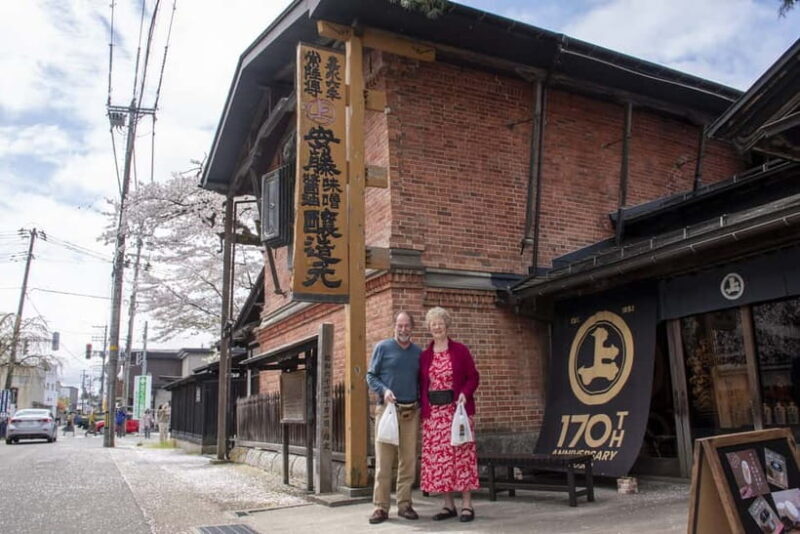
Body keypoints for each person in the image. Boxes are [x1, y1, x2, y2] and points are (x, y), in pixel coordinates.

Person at [419, 306, 480, 523]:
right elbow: (422, 385)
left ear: (447, 325)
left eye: (440, 322)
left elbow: (473, 377)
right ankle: (448, 505)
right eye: (433, 324)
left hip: (457, 413)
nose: (437, 326)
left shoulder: (460, 350)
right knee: (441, 461)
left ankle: (467, 504)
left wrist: (464, 394)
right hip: (434, 417)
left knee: (462, 458)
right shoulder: (425, 355)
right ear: (429, 328)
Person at [365, 311, 422, 525]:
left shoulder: (418, 353)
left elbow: (422, 381)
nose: (403, 329)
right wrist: (384, 390)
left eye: (407, 325)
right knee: (384, 462)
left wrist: (421, 404)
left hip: (410, 412)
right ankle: (380, 507)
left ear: (412, 328)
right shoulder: (383, 347)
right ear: (394, 327)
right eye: (400, 325)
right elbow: (370, 375)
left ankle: (405, 504)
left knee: (407, 461)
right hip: (387, 410)